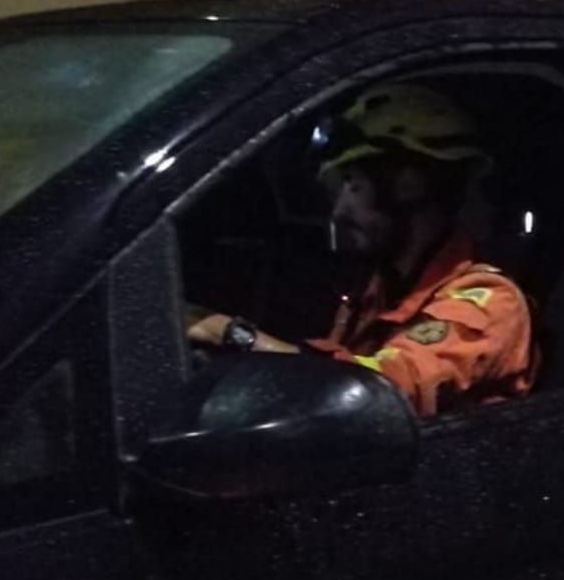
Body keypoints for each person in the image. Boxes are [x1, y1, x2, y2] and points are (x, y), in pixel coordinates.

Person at [184, 83, 538, 417]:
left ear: (408, 185)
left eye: (352, 186)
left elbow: (381, 395)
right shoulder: (379, 291)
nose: (339, 212)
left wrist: (231, 334)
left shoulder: (490, 303)